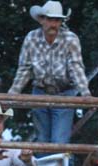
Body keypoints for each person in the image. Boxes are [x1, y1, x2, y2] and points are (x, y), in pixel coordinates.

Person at [8, 1, 90, 145]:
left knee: (59, 141)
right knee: (42, 140)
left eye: (57, 20)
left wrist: (86, 94)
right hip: (40, 92)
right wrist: (12, 93)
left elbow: (75, 67)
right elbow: (25, 69)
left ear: (61, 22)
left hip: (64, 93)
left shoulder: (70, 39)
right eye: (50, 19)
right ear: (42, 20)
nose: (53, 24)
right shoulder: (31, 38)